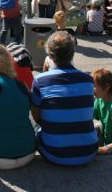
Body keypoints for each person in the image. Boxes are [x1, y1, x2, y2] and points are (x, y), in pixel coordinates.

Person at [31, 31, 97, 166]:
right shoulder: (88, 80)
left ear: (49, 55)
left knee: (35, 131)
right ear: (72, 53)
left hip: (54, 153)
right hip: (88, 152)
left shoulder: (40, 80)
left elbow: (35, 113)